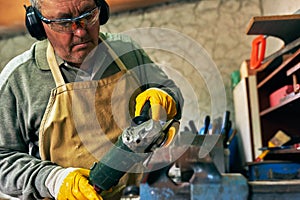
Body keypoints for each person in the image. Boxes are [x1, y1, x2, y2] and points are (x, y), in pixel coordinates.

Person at [0, 0, 183, 199]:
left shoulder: (126, 52)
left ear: (101, 11)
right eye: (63, 22)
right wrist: (53, 179)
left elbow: (170, 90)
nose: (80, 32)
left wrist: (165, 97)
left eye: (88, 15)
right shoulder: (20, 80)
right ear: (38, 23)